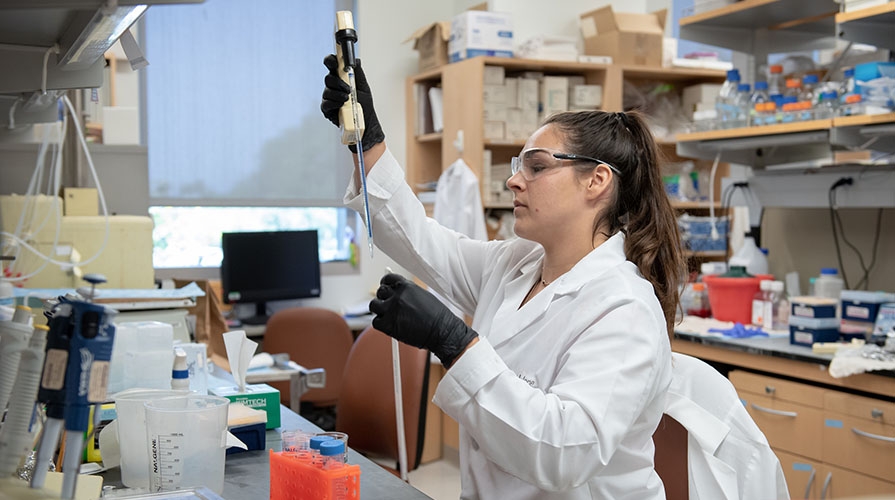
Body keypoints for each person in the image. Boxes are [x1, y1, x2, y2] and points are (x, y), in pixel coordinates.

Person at [321, 54, 685, 499]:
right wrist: (368, 139)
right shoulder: (516, 263)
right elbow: (420, 240)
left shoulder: (624, 308)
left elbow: (564, 452)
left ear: (597, 181)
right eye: (517, 165)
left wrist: (453, 342)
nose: (514, 181)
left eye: (535, 167)